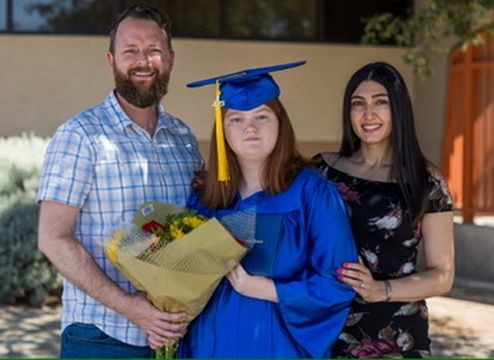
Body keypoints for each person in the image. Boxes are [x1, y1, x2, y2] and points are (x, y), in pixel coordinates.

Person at [36, 5, 203, 358]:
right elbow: (53, 237)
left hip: (173, 337)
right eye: (130, 51)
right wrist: (132, 308)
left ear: (170, 59)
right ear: (111, 59)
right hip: (101, 336)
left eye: (153, 50)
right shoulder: (81, 136)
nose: (143, 61)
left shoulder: (183, 139)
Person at [178, 61, 358, 358]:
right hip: (210, 345)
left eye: (262, 116)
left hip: (279, 347)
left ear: (280, 124)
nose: (249, 128)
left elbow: (339, 281)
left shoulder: (313, 194)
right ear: (222, 130)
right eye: (236, 119)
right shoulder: (206, 197)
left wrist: (268, 290)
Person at [313, 61, 455, 358]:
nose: (368, 114)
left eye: (381, 102)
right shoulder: (322, 171)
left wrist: (381, 290)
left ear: (399, 110)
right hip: (323, 325)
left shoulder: (426, 181)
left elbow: (443, 274)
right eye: (358, 104)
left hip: (398, 334)